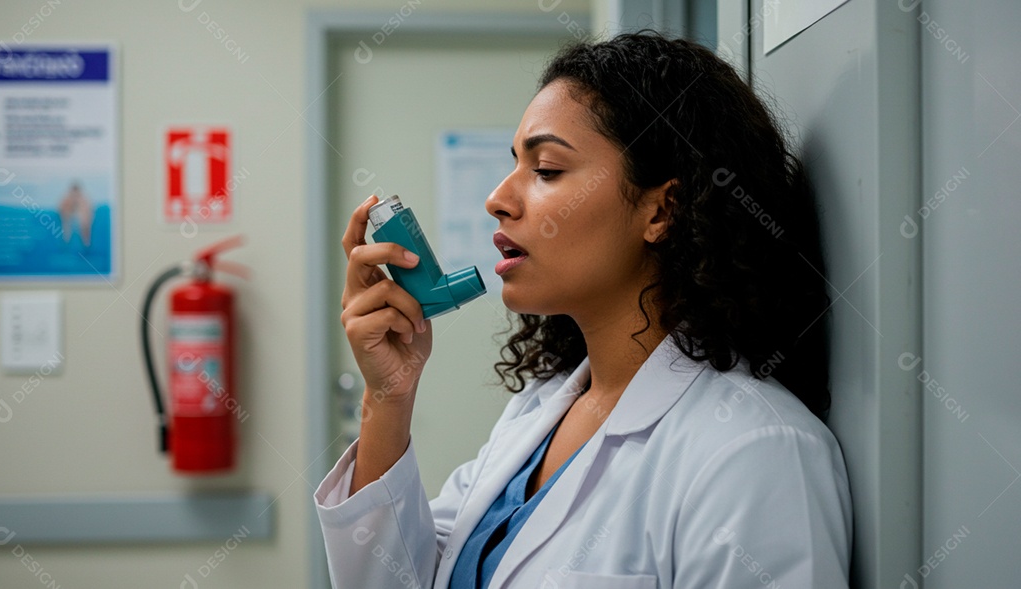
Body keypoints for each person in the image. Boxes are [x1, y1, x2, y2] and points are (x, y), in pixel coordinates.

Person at [316, 32, 852, 588]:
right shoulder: (540, 410)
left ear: (662, 210)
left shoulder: (755, 452)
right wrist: (388, 397)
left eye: (546, 170)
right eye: (514, 165)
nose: (497, 198)